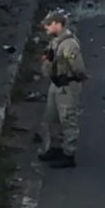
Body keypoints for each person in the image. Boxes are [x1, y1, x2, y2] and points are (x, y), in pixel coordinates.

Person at [38, 11, 87, 169]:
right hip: (56, 83)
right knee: (52, 117)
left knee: (67, 118)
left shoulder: (69, 44)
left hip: (67, 86)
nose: (46, 27)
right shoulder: (55, 41)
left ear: (58, 24)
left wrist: (76, 77)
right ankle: (55, 147)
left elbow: (78, 68)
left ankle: (69, 154)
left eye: (49, 24)